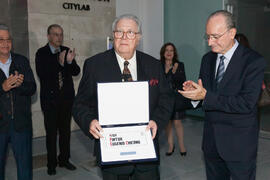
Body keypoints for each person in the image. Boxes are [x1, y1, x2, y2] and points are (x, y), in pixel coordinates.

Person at [72, 14, 173, 180]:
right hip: (112, 152)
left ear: (138, 38)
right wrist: (89, 121)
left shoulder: (153, 65)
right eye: (119, 32)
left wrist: (157, 120)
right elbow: (80, 104)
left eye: (130, 32)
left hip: (146, 150)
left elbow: (166, 98)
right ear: (113, 35)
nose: (124, 37)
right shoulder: (94, 65)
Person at [179, 10, 266, 180]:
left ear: (232, 33)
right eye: (207, 36)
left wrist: (206, 96)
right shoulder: (207, 59)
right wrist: (194, 93)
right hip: (211, 144)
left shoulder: (253, 61)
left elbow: (246, 103)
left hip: (239, 145)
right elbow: (205, 94)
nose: (210, 42)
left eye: (215, 36)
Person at [35, 24, 80, 175]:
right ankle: (51, 164)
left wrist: (68, 62)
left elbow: (76, 71)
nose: (59, 37)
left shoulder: (66, 50)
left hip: (66, 100)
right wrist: (60, 63)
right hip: (50, 102)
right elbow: (43, 74)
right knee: (51, 134)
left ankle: (64, 159)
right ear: (48, 36)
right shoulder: (41, 53)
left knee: (65, 132)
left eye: (61, 34)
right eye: (55, 34)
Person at [0, 24, 36, 180]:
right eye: (1, 40)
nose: (5, 43)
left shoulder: (21, 61)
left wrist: (21, 85)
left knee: (25, 168)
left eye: (8, 39)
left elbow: (32, 88)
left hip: (21, 125)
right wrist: (3, 88)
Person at [160, 42, 187, 156]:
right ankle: (171, 145)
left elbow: (182, 81)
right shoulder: (159, 65)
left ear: (174, 52)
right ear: (163, 53)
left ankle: (181, 145)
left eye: (171, 50)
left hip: (176, 98)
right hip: (164, 98)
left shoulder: (179, 65)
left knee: (177, 122)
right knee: (168, 123)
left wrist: (174, 70)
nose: (169, 53)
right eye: (167, 50)